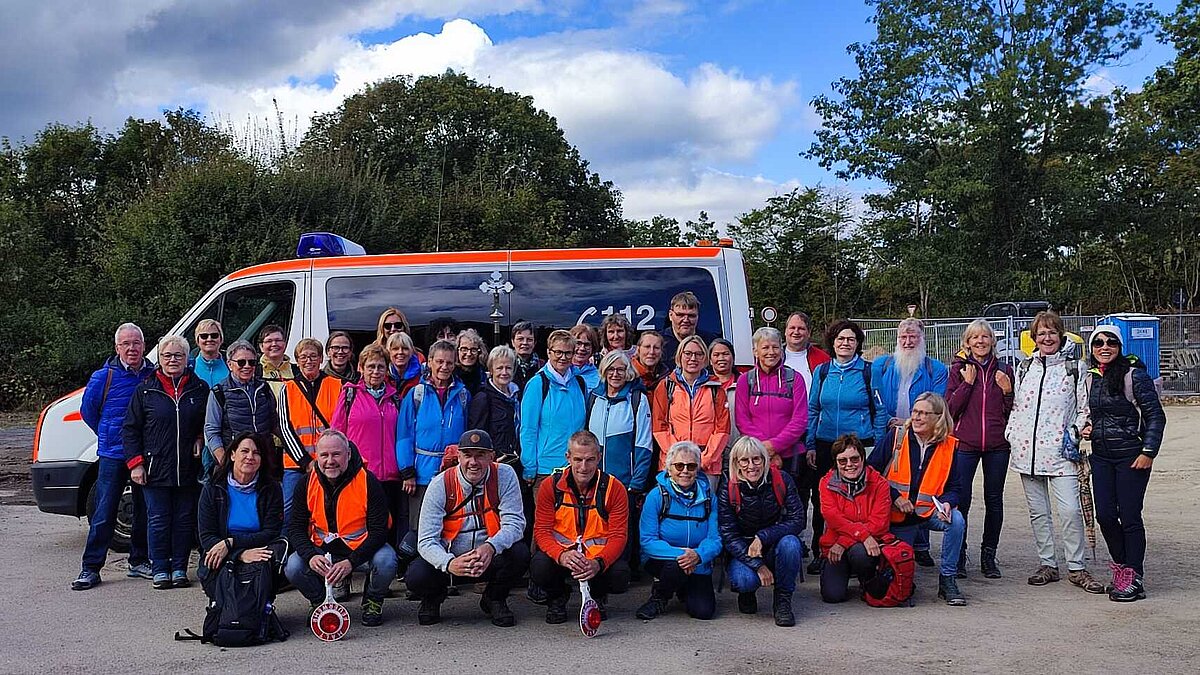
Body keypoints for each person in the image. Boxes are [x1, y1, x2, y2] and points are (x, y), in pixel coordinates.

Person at [1004, 311, 1105, 594]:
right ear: (1034, 338)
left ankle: (1076, 566)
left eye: (1052, 332)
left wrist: (1073, 433)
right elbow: (1018, 406)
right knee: (1039, 513)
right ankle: (1047, 563)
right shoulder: (1025, 368)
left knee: (1071, 510)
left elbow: (1083, 408)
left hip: (1061, 453)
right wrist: (1011, 433)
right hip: (1027, 452)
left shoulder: (1075, 368)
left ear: (1060, 335)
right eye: (1041, 333)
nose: (1047, 337)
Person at [1078, 324, 1166, 602]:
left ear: (1120, 346)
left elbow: (1155, 416)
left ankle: (1134, 576)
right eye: (1098, 343)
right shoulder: (1091, 378)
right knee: (1104, 514)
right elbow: (1092, 413)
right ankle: (1122, 568)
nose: (1105, 347)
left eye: (1111, 342)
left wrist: (1148, 451)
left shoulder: (1134, 376)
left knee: (1129, 516)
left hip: (1131, 456)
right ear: (1091, 349)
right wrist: (1088, 426)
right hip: (1102, 456)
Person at [408, 430, 528, 627]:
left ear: (492, 457)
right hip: (450, 557)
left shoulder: (505, 475)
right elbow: (426, 540)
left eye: (480, 455)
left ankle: (495, 598)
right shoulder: (440, 484)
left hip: (488, 554)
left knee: (520, 553)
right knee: (416, 575)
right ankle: (433, 598)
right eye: (467, 455)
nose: (473, 462)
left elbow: (516, 523)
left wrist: (491, 547)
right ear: (458, 456)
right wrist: (449, 563)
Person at [285, 430, 397, 627]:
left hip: (360, 551)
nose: (330, 461)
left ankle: (372, 600)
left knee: (386, 560)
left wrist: (351, 562)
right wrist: (310, 556)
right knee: (293, 566)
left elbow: (380, 532)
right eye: (324, 455)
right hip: (322, 551)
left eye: (336, 454)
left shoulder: (368, 481)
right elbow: (295, 528)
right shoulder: (305, 483)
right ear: (316, 457)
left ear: (348, 454)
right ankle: (320, 602)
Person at [72, 322, 154, 590]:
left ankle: (139, 561)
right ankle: (90, 568)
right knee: (104, 512)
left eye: (136, 343)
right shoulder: (102, 377)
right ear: (117, 347)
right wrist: (107, 434)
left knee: (143, 509)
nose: (132, 348)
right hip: (113, 455)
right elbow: (88, 411)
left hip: (144, 454)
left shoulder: (153, 374)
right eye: (126, 344)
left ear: (144, 345)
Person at [124, 334, 209, 590]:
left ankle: (180, 568)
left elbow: (208, 421)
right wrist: (135, 464)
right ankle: (160, 568)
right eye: (167, 355)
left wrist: (199, 437)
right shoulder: (145, 389)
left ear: (187, 358)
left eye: (178, 355)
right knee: (158, 519)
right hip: (154, 467)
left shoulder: (199, 388)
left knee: (184, 520)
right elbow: (130, 429)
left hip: (187, 468)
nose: (173, 360)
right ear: (159, 359)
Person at [867, 392, 967, 606]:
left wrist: (947, 503)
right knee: (900, 571)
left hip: (929, 512)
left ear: (938, 417)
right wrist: (894, 497)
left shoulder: (950, 445)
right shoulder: (896, 436)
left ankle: (947, 579)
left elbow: (956, 487)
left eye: (924, 413)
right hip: (898, 514)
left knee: (956, 520)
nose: (918, 417)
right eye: (915, 412)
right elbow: (871, 472)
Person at [871, 318, 948, 566]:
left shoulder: (935, 369)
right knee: (891, 482)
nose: (908, 341)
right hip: (889, 432)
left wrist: (910, 423)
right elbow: (877, 398)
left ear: (922, 339)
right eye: (903, 337)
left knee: (922, 484)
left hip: (922, 433)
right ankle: (891, 538)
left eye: (913, 336)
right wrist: (887, 423)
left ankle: (922, 545)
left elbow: (937, 403)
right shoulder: (882, 366)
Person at [531, 431, 630, 624]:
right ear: (567, 457)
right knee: (539, 566)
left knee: (620, 574)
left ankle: (598, 596)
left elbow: (619, 536)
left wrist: (598, 563)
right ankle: (557, 597)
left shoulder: (614, 488)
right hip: (563, 556)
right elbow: (542, 531)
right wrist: (561, 555)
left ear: (599, 458)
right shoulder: (550, 486)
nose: (583, 467)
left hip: (595, 557)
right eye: (578, 459)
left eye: (590, 460)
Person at [945, 319, 1014, 579]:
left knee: (994, 500)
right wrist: (967, 384)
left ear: (992, 341)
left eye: (985, 337)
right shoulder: (959, 369)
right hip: (965, 444)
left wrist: (1007, 391)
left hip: (997, 445)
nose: (980, 341)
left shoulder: (1005, 369)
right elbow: (950, 409)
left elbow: (1012, 411)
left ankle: (989, 555)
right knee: (961, 500)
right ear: (967, 342)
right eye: (975, 337)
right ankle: (959, 555)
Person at [806, 320, 876, 573]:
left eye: (850, 339)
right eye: (840, 339)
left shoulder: (868, 372)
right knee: (823, 499)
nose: (845, 343)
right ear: (832, 343)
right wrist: (810, 443)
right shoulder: (822, 372)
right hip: (826, 445)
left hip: (859, 445)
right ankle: (820, 551)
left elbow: (878, 410)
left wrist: (877, 445)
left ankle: (859, 551)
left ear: (858, 344)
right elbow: (813, 409)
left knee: (860, 500)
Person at [718, 436, 804, 626]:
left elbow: (798, 520)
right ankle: (747, 593)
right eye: (745, 460)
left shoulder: (782, 480)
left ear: (765, 460)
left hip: (775, 545)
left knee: (791, 543)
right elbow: (728, 534)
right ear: (736, 463)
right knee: (744, 580)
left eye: (756, 459)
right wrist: (758, 565)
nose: (751, 466)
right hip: (743, 550)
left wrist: (762, 537)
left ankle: (783, 600)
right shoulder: (728, 488)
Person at [636, 441, 721, 620]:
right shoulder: (656, 496)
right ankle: (660, 597)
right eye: (679, 465)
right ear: (669, 468)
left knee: (703, 612)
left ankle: (682, 587)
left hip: (698, 562)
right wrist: (682, 554)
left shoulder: (709, 498)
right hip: (664, 561)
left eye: (691, 466)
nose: (685, 471)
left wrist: (698, 555)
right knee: (676, 567)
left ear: (697, 468)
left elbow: (715, 539)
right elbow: (647, 541)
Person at [196, 432, 286, 599]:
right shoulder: (213, 488)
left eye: (256, 453)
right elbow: (206, 536)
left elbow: (271, 533)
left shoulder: (271, 489)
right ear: (232, 455)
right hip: (222, 554)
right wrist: (239, 555)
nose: (250, 457)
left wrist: (232, 543)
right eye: (244, 451)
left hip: (258, 550)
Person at [586, 350, 652, 574]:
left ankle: (625, 573)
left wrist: (637, 482)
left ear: (628, 372)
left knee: (623, 529)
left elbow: (644, 443)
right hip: (597, 478)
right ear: (603, 371)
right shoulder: (594, 397)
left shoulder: (636, 399)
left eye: (621, 370)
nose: (615, 374)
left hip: (624, 479)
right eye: (611, 369)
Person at [333, 344, 403, 547]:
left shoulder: (395, 398)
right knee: (361, 523)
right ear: (361, 368)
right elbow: (337, 432)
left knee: (387, 523)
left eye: (381, 366)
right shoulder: (349, 395)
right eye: (371, 366)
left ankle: (386, 566)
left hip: (390, 474)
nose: (376, 371)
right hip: (360, 472)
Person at [396, 339, 470, 530]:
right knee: (420, 528)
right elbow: (404, 436)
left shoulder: (463, 395)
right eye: (439, 362)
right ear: (429, 362)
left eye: (449, 362)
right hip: (422, 474)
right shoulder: (416, 394)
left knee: (451, 526)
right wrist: (407, 472)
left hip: (453, 473)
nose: (444, 367)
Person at [819, 434, 891, 604]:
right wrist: (861, 534)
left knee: (860, 553)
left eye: (854, 459)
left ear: (863, 458)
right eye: (842, 461)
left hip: (864, 546)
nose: (849, 465)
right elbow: (833, 518)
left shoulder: (880, 483)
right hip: (835, 546)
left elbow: (879, 523)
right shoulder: (826, 483)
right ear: (836, 463)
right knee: (832, 596)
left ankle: (866, 579)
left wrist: (845, 541)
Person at [278, 338, 343, 521]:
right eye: (303, 357)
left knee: (328, 508)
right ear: (297, 361)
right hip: (296, 465)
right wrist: (306, 461)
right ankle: (285, 545)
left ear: (321, 359)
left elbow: (340, 427)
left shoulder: (336, 385)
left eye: (313, 356)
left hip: (331, 462)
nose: (309, 361)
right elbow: (284, 428)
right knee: (289, 508)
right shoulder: (287, 389)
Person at [652, 335, 730, 488]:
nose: (693, 358)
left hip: (707, 465)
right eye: (688, 353)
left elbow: (722, 429)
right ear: (680, 356)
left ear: (705, 358)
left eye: (698, 354)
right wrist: (678, 459)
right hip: (674, 464)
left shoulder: (716, 388)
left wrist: (704, 460)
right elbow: (659, 426)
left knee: (705, 507)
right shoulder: (666, 386)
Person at [735, 327, 808, 484]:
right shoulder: (745, 381)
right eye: (765, 347)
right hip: (755, 459)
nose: (771, 352)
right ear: (755, 351)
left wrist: (773, 446)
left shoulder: (795, 379)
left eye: (775, 347)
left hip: (791, 457)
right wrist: (765, 450)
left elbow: (800, 420)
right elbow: (742, 421)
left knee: (794, 505)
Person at [520, 329, 588, 486]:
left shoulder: (579, 383)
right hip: (546, 470)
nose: (563, 357)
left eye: (568, 353)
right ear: (548, 352)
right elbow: (528, 429)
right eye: (558, 352)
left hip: (576, 468)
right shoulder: (538, 384)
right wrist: (530, 466)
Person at [203, 340, 278, 480]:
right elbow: (212, 431)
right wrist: (224, 461)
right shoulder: (219, 392)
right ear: (230, 364)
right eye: (241, 362)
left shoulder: (264, 389)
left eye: (252, 362)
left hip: (264, 461)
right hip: (234, 464)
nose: (247, 366)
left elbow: (275, 425)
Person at [468, 346, 522, 471]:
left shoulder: (517, 396)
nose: (504, 372)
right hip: (494, 464)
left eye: (508, 368)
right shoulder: (483, 398)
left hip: (516, 463)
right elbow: (477, 437)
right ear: (491, 370)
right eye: (499, 368)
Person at [783, 311, 831, 392]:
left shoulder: (824, 359)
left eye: (801, 328)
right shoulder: (773, 357)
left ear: (809, 333)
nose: (796, 332)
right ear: (785, 331)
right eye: (792, 328)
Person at [660, 291, 700, 370]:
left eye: (691, 315)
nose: (686, 320)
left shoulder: (710, 342)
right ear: (670, 315)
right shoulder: (657, 343)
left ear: (697, 317)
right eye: (680, 315)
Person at [191, 319, 229, 389]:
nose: (209, 339)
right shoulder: (189, 367)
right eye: (204, 336)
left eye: (214, 335)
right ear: (197, 340)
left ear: (221, 339)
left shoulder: (231, 366)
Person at [256, 324, 295, 389]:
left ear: (285, 344)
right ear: (261, 346)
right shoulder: (255, 372)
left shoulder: (297, 371)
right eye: (269, 341)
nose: (274, 344)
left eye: (278, 340)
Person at [387, 331, 422, 398]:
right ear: (389, 352)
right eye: (395, 349)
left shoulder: (422, 376)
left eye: (405, 348)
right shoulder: (383, 376)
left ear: (411, 351)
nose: (400, 352)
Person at [510, 320, 542, 391]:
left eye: (529, 339)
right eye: (520, 339)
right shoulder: (506, 366)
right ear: (513, 342)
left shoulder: (543, 367)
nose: (525, 343)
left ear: (535, 343)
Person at [455, 328, 488, 396]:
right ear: (457, 351)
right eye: (464, 349)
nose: (469, 354)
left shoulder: (484, 377)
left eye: (473, 350)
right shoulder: (451, 375)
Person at [570, 323, 601, 390]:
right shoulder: (559, 371)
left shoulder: (599, 378)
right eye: (578, 343)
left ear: (593, 348)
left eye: (587, 345)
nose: (582, 348)